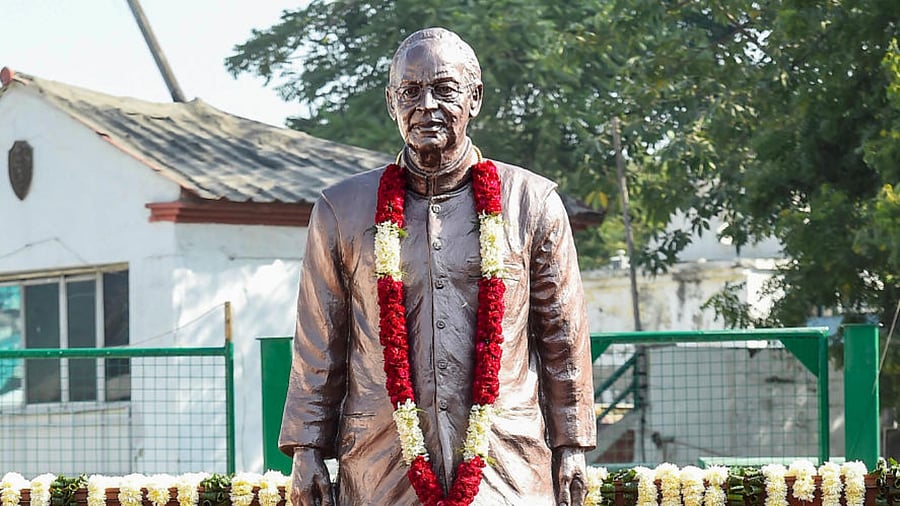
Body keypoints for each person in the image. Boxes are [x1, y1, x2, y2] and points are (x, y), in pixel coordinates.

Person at [279, 27, 596, 506]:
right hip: (381, 462)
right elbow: (319, 344)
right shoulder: (341, 210)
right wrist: (306, 450)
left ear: (476, 98)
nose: (426, 104)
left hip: (505, 464)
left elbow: (561, 337)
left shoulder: (531, 203)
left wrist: (572, 446)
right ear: (391, 103)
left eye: (444, 89)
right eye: (410, 91)